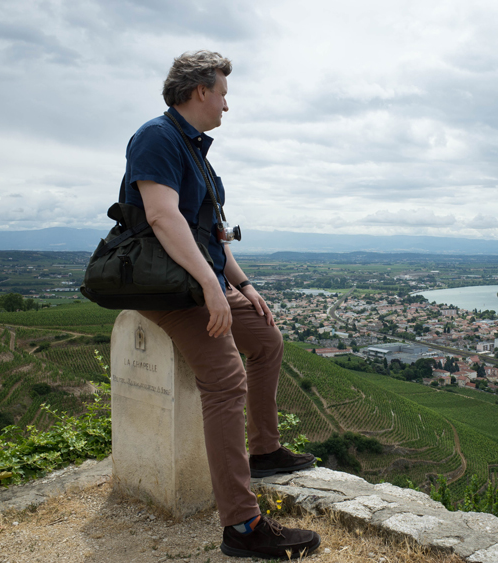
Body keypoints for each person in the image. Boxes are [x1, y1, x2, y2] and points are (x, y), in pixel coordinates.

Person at [123, 50, 320, 559]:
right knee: (225, 378)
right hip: (168, 286)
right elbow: (164, 219)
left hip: (200, 279)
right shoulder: (157, 137)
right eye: (224, 94)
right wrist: (212, 289)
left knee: (266, 338)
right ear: (199, 91)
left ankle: (265, 451)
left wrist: (243, 286)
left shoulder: (196, 154)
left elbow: (213, 238)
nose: (227, 106)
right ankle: (243, 525)